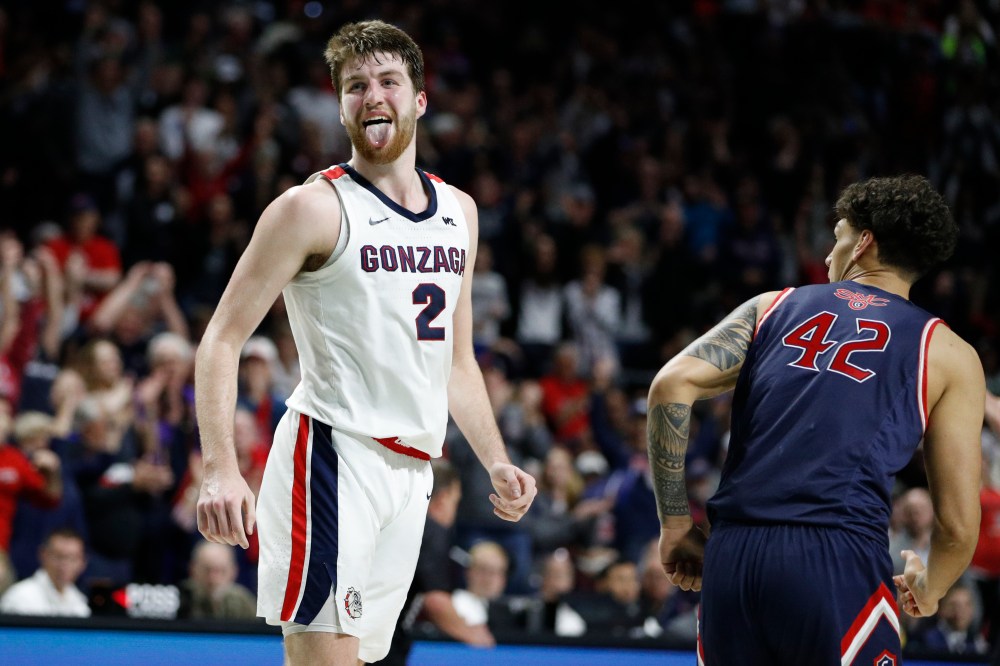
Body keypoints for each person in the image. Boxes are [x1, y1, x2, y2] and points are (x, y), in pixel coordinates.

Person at [194, 20, 536, 666]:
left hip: (413, 473)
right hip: (333, 454)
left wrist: (494, 458)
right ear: (341, 105)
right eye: (355, 86)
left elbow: (455, 361)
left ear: (420, 100)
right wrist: (220, 468)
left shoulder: (459, 211)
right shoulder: (310, 208)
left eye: (387, 81)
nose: (371, 95)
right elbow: (220, 338)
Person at [645, 174, 984, 665]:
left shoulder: (773, 306)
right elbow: (957, 527)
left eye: (839, 236)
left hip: (735, 556)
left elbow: (669, 386)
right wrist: (930, 588)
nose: (829, 255)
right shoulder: (948, 352)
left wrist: (675, 524)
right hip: (836, 558)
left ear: (864, 243)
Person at [377, 459, 494, 666]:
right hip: (384, 638)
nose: (454, 512)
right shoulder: (432, 531)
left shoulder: (402, 523)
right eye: (455, 502)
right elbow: (435, 600)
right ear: (443, 498)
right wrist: (472, 634)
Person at [0, 528, 89, 617]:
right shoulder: (19, 597)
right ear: (43, 554)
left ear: (83, 562)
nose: (65, 564)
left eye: (72, 558)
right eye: (58, 556)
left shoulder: (81, 602)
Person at [177, 540, 257, 621]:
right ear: (192, 569)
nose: (214, 579)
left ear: (233, 572)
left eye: (221, 571)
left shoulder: (243, 602)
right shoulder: (179, 599)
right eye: (207, 570)